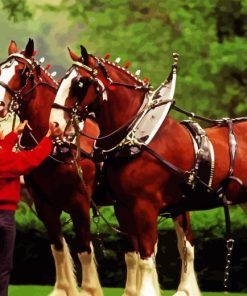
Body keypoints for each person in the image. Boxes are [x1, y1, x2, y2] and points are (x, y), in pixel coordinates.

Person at [0, 121, 60, 296]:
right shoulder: (5, 159)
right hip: (4, 217)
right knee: (3, 266)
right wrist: (49, 137)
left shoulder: (3, 155)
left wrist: (15, 134)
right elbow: (31, 160)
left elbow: (4, 149)